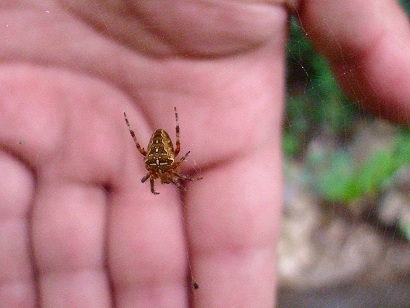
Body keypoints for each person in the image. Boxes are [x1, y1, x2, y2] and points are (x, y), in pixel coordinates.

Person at [0, 0, 408, 306]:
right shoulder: (161, 165)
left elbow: (155, 159)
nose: (161, 177)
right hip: (159, 146)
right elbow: (158, 159)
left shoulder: (158, 166)